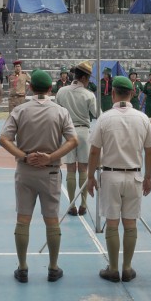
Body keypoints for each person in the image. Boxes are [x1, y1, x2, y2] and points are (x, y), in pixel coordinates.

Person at [1, 69, 78, 282]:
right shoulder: (60, 112)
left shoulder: (20, 110)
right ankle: (53, 267)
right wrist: (51, 156)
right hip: (50, 170)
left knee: (23, 219)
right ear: (51, 88)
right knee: (52, 220)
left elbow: (4, 139)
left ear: (30, 87)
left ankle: (23, 267)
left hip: (26, 171)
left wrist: (24, 157)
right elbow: (73, 140)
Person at [87, 75, 151, 283]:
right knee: (131, 223)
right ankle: (127, 267)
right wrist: (149, 177)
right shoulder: (142, 118)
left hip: (110, 174)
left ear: (113, 93)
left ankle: (113, 268)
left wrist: (90, 176)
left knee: (113, 223)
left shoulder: (105, 118)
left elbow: (94, 151)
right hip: (134, 174)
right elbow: (150, 150)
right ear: (132, 94)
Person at [55, 61, 98, 216]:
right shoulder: (88, 94)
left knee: (71, 168)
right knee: (83, 169)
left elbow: (57, 112)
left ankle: (72, 205)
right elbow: (97, 113)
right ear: (85, 78)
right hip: (83, 132)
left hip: (67, 133)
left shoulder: (61, 92)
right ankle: (84, 205)